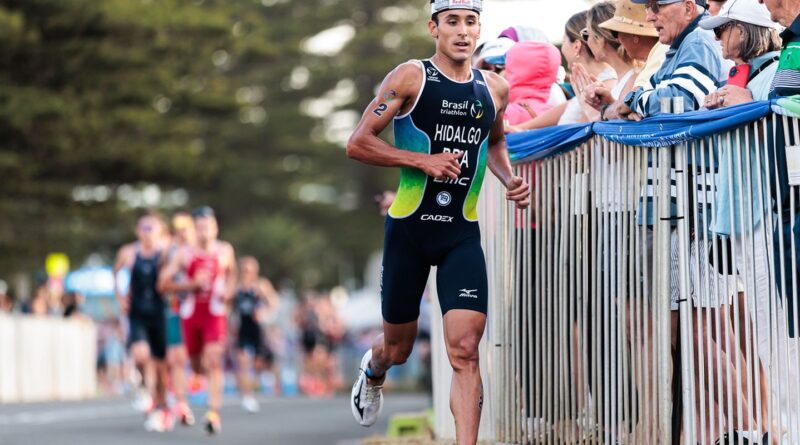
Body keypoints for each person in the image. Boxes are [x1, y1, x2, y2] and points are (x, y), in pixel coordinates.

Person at [345, 0, 530, 442]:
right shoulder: (410, 77)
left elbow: (496, 141)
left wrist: (508, 179)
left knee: (465, 350)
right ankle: (373, 371)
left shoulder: (494, 88)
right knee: (399, 348)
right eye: (452, 22)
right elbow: (358, 143)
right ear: (434, 28)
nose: (463, 32)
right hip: (409, 230)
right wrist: (421, 160)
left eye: (471, 22)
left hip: (459, 235)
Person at [701, 1, 782, 441]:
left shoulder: (771, 74)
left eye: (724, 28)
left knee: (777, 332)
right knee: (764, 333)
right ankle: (770, 430)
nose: (717, 38)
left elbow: (786, 117)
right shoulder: (740, 76)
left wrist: (751, 103)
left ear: (747, 30)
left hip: (770, 216)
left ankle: (781, 428)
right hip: (742, 218)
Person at [158, 206, 236, 435]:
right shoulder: (184, 253)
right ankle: (193, 388)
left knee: (214, 359)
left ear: (216, 227)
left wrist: (228, 292)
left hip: (214, 314)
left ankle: (213, 413)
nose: (205, 231)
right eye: (200, 227)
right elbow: (163, 283)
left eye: (209, 226)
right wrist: (190, 285)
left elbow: (232, 274)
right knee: (195, 364)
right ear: (195, 229)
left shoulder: (225, 250)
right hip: (190, 315)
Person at [506, 10, 618, 132]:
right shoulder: (588, 84)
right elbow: (565, 109)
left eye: (564, 41)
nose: (562, 49)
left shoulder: (605, 87)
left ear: (576, 46)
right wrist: (520, 129)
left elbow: (578, 133)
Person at [113, 212, 172, 432]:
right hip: (137, 312)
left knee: (160, 366)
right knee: (140, 355)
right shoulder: (129, 252)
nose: (147, 233)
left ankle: (162, 405)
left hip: (159, 312)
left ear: (160, 230)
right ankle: (146, 392)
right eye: (143, 228)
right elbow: (116, 271)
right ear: (138, 230)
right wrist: (120, 296)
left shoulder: (165, 251)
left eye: (152, 228)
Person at [618, 0, 725, 119]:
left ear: (688, 9)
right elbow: (643, 93)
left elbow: (681, 102)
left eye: (656, 6)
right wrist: (636, 104)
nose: (649, 17)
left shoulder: (697, 41)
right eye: (647, 7)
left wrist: (635, 103)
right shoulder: (683, 44)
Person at [583, 0, 666, 120]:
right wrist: (611, 106)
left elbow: (632, 99)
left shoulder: (660, 53)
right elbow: (631, 101)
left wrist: (608, 109)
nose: (617, 40)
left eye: (615, 32)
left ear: (634, 35)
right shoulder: (656, 55)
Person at [162, 211, 196, 426]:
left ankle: (179, 398)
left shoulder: (201, 250)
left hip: (198, 311)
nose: (182, 233)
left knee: (193, 359)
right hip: (175, 309)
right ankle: (178, 402)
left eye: (185, 229)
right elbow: (163, 280)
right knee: (174, 358)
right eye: (178, 229)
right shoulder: (170, 250)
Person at [232, 256, 279, 413]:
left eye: (249, 270)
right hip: (242, 327)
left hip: (257, 328)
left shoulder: (261, 285)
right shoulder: (235, 286)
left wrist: (264, 312)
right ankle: (246, 395)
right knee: (243, 362)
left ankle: (257, 383)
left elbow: (274, 302)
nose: (246, 272)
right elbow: (227, 305)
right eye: (244, 269)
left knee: (257, 363)